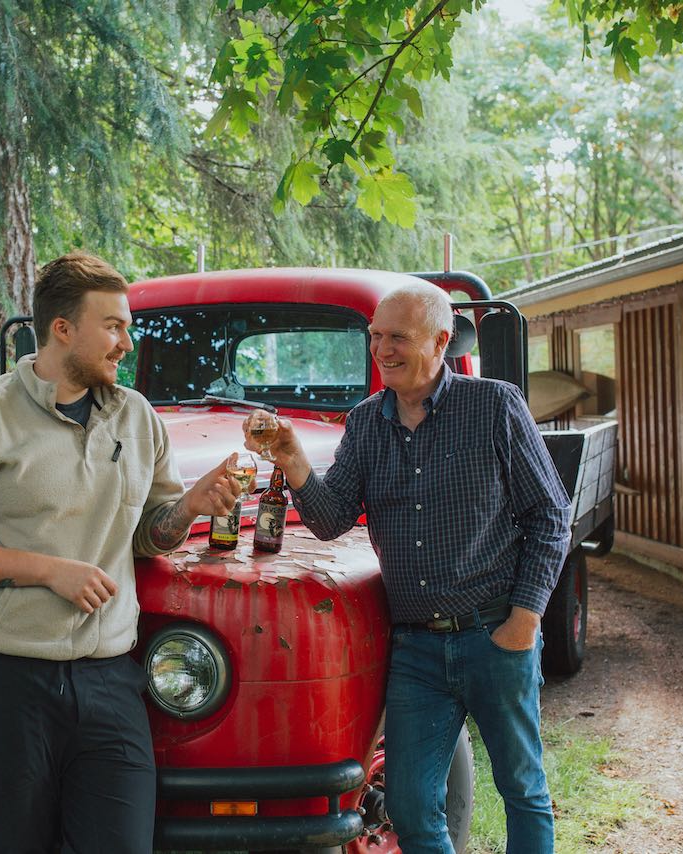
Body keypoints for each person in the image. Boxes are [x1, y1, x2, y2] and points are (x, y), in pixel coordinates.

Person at [0, 251, 241, 854]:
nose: (126, 343)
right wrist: (49, 572)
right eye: (113, 326)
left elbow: (146, 534)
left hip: (109, 674)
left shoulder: (137, 419)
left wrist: (188, 508)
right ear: (62, 328)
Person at [245, 281, 571, 854]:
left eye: (398, 337)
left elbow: (549, 517)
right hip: (418, 650)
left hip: (495, 632)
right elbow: (329, 519)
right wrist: (292, 456)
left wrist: (523, 621)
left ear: (441, 340)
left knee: (521, 788)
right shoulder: (367, 422)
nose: (383, 350)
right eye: (375, 337)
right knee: (411, 803)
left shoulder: (494, 406)